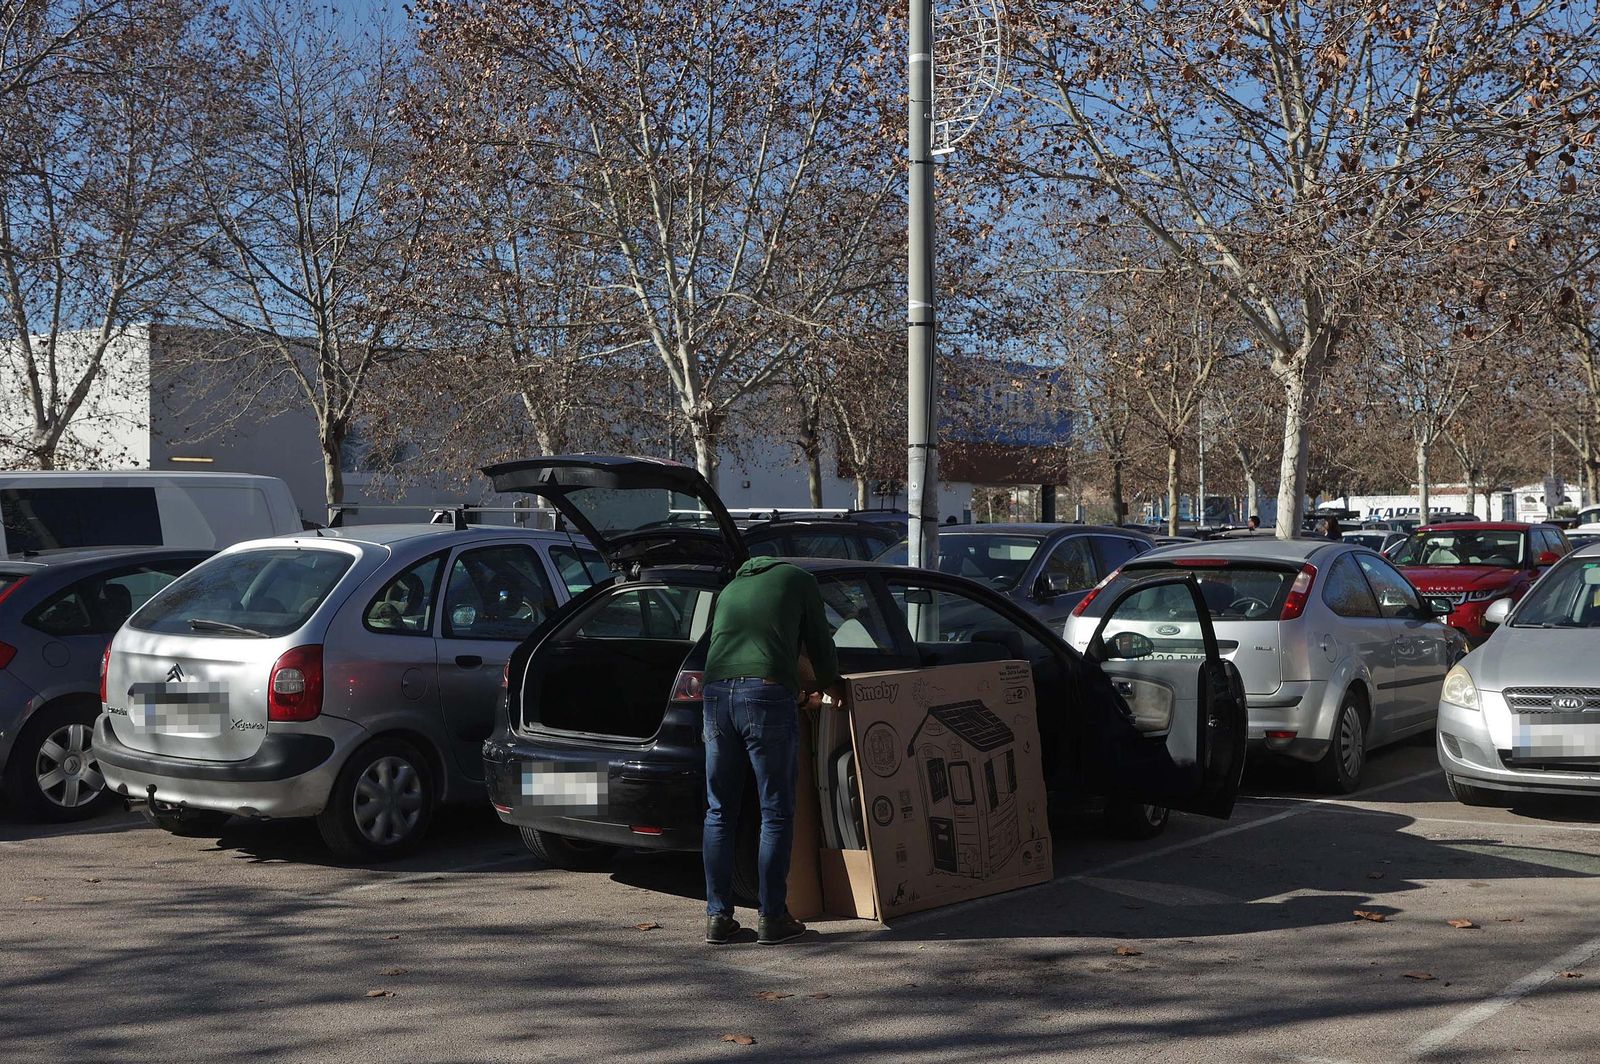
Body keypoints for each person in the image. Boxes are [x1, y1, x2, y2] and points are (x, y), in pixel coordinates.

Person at [701, 557, 845, 946]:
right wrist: (829, 682)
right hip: (764, 694)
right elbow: (819, 643)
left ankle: (718, 918)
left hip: (715, 694)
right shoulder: (800, 581)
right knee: (776, 811)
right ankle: (773, 916)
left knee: (719, 810)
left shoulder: (732, 586)